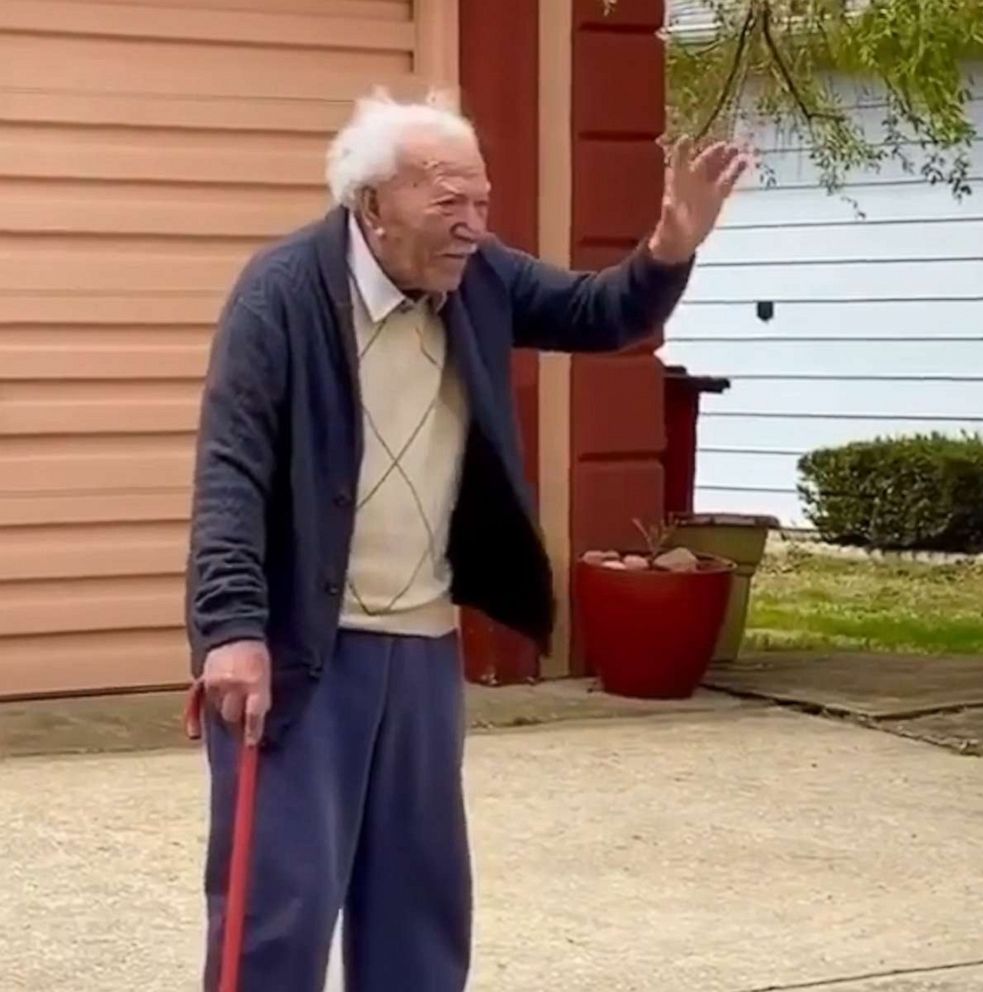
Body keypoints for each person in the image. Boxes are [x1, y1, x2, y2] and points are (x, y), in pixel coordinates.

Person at [185, 89, 747, 992]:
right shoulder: (282, 294)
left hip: (419, 648)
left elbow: (600, 313)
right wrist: (230, 633)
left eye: (482, 202)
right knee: (278, 911)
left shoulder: (480, 278)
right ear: (371, 204)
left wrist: (669, 246)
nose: (473, 226)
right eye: (449, 202)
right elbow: (230, 471)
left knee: (420, 905)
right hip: (299, 651)